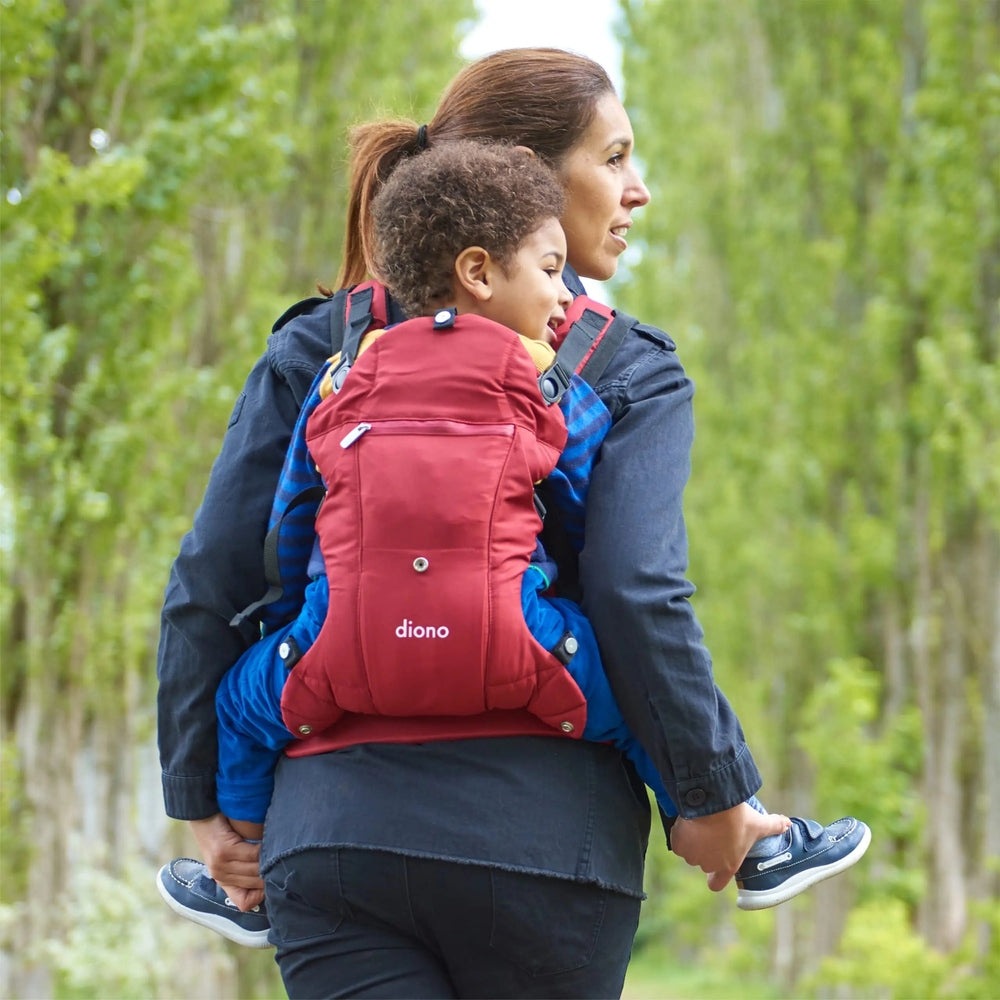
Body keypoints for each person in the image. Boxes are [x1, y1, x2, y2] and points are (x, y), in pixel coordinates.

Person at [154, 48, 851, 998]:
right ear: (524, 176)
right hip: (547, 844)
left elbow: (214, 577)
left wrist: (207, 807)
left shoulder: (320, 347)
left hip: (333, 837)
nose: (637, 190)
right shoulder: (624, 368)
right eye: (613, 158)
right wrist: (709, 795)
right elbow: (635, 593)